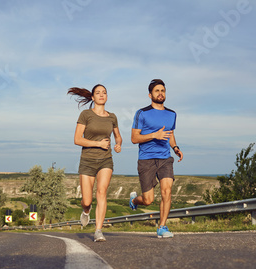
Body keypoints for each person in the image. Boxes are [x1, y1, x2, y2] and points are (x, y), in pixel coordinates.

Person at [130, 79, 183, 238]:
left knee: (167, 191)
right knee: (148, 200)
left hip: (165, 158)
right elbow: (134, 138)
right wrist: (154, 135)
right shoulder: (142, 113)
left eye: (163, 91)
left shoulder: (172, 114)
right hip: (146, 159)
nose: (161, 93)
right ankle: (134, 201)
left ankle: (162, 227)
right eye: (157, 91)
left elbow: (171, 134)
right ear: (150, 95)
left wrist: (175, 148)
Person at [69, 84, 122, 242]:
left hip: (106, 159)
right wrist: (98, 144)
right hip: (87, 160)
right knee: (87, 200)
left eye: (104, 93)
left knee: (101, 192)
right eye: (98, 93)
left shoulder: (112, 117)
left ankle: (98, 230)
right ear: (92, 97)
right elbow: (77, 139)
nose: (101, 95)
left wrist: (118, 143)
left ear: (107, 96)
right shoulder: (86, 114)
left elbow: (118, 136)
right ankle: (86, 211)